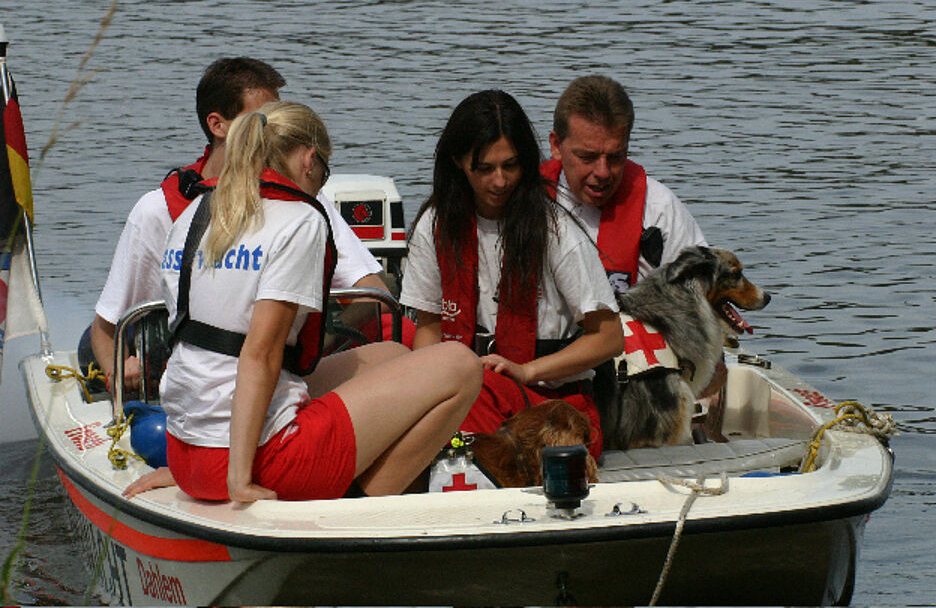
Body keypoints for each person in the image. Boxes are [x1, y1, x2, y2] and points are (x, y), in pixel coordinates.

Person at [156, 101, 480, 501]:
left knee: (392, 355)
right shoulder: (299, 221)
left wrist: (193, 469)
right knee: (461, 365)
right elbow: (261, 354)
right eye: (325, 173)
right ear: (310, 160)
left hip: (185, 454)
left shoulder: (196, 211)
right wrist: (238, 480)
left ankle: (330, 478)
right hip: (258, 460)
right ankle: (358, 506)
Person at [85, 57, 394, 392]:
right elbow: (104, 329)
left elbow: (375, 293)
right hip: (202, 386)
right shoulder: (158, 211)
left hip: (274, 374)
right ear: (217, 125)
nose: (275, 133)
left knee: (394, 351)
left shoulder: (305, 205)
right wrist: (120, 371)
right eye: (263, 122)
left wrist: (322, 339)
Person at [400, 90, 624, 461]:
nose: (500, 181)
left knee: (476, 394)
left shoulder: (555, 231)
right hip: (467, 393)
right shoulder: (434, 226)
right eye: (485, 168)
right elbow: (429, 330)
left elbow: (609, 338)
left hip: (555, 408)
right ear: (458, 162)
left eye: (510, 166)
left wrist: (526, 371)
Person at [542, 74, 707, 295]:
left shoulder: (659, 209)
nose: (602, 172)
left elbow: (702, 299)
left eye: (615, 157)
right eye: (587, 157)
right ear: (556, 146)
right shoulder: (524, 202)